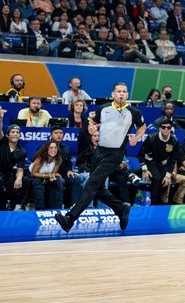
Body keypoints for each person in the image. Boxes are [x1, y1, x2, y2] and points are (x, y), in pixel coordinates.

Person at [54, 83, 145, 232]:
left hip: (115, 154)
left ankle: (70, 219)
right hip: (99, 152)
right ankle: (121, 208)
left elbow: (142, 126)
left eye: (124, 92)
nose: (121, 94)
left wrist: (137, 137)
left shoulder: (133, 112)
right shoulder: (104, 109)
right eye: (118, 91)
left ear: (127, 95)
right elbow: (92, 121)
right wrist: (91, 126)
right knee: (99, 189)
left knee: (91, 184)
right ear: (113, 94)